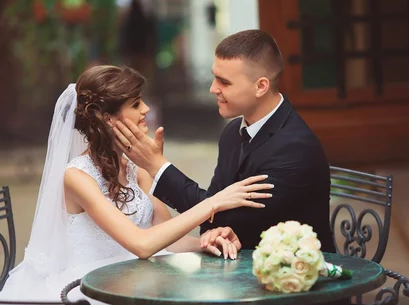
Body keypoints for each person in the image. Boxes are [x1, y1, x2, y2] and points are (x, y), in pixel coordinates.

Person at [0, 65, 271, 305]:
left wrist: (206, 241)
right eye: (135, 104)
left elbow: (166, 238)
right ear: (106, 118)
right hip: (88, 292)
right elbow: (142, 244)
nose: (146, 109)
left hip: (136, 280)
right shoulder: (77, 176)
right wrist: (212, 203)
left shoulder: (134, 166)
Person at [113, 29, 335, 253]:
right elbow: (214, 206)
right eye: (214, 77)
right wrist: (213, 229)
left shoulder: (294, 147)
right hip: (240, 265)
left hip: (297, 274)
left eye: (224, 82)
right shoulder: (232, 133)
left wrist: (156, 165)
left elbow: (219, 218)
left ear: (261, 86)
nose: (212, 88)